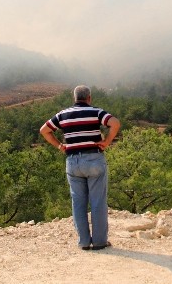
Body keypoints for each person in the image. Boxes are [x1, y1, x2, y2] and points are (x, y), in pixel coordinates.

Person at [40, 85, 121, 250]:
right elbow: (115, 123)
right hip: (94, 159)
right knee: (98, 202)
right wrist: (106, 142)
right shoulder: (96, 112)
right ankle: (99, 242)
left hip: (73, 162)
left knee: (78, 203)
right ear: (89, 98)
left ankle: (84, 242)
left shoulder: (63, 114)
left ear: (74, 98)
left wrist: (59, 146)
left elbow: (44, 130)